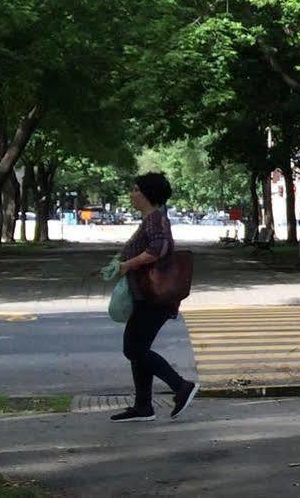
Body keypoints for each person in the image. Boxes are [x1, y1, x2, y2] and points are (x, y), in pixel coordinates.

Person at [110, 172, 199, 422]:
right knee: (138, 348)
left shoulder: (155, 220)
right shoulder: (150, 219)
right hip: (146, 296)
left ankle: (181, 386)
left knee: (134, 348)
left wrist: (129, 264)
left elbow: (158, 249)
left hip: (154, 296)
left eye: (136, 189)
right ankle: (143, 406)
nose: (132, 194)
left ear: (147, 194)